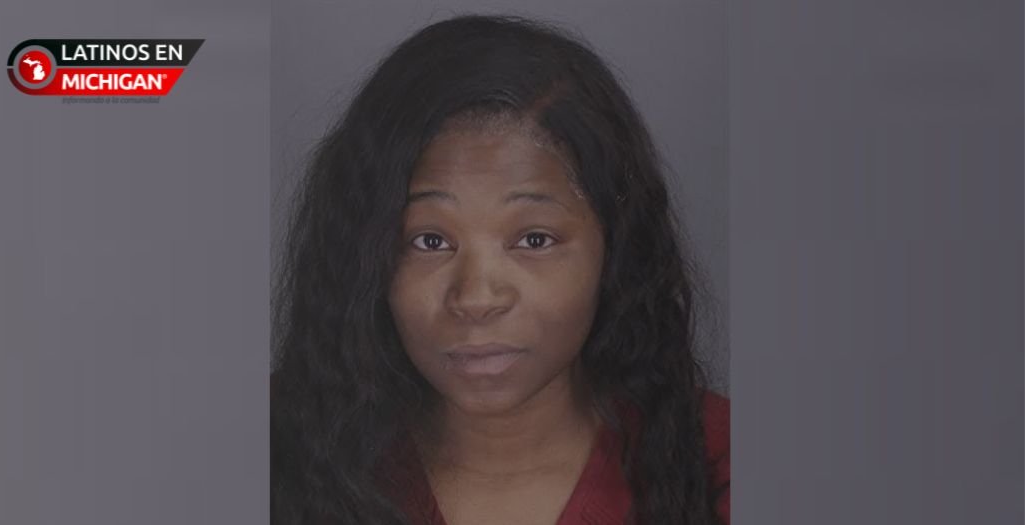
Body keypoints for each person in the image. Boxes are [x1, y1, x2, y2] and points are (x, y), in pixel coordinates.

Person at [271, 14, 730, 525]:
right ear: (366, 257)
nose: (476, 298)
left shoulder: (721, 461)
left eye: (534, 239)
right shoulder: (269, 448)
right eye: (429, 241)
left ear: (616, 247)